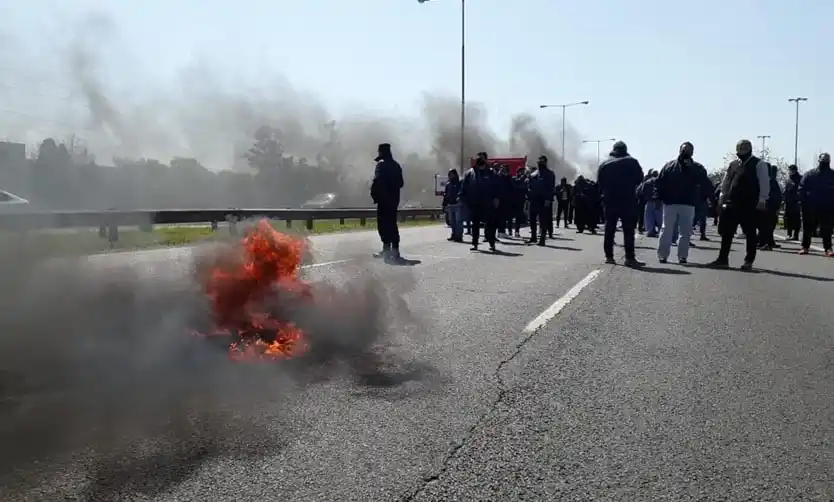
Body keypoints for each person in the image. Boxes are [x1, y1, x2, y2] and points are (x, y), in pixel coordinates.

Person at [708, 139, 770, 270]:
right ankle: (722, 259)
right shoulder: (733, 164)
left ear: (749, 149)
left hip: (749, 204)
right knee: (727, 232)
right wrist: (721, 198)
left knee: (750, 233)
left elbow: (764, 183)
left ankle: (749, 260)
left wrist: (762, 200)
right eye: (739, 149)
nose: (741, 151)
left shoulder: (759, 164)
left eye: (744, 149)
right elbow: (726, 182)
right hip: (732, 203)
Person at [655, 142, 713, 264]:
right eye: (684, 150)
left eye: (688, 150)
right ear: (679, 151)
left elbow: (705, 184)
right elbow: (660, 183)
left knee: (685, 231)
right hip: (670, 203)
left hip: (688, 203)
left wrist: (707, 200)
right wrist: (658, 198)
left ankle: (682, 256)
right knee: (666, 230)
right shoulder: (669, 166)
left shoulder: (697, 168)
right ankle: (662, 255)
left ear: (692, 152)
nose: (686, 152)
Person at [597, 140, 645, 266]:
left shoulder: (604, 164)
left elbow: (600, 183)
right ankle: (629, 258)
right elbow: (640, 179)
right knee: (628, 230)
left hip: (610, 200)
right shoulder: (632, 162)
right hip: (627, 199)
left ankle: (609, 257)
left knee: (610, 228)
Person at [370, 142, 405, 263]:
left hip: (383, 200)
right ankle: (395, 250)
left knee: (383, 225)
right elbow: (401, 183)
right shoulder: (396, 165)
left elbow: (377, 181)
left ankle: (386, 249)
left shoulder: (381, 165)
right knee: (392, 224)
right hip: (394, 200)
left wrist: (374, 195)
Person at [460, 151, 500, 252]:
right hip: (474, 203)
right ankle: (475, 244)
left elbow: (497, 187)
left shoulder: (491, 172)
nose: (479, 160)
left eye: (482, 158)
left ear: (486, 160)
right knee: (475, 225)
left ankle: (491, 243)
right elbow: (464, 187)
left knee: (490, 224)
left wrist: (496, 198)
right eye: (478, 158)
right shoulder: (470, 173)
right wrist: (463, 199)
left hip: (488, 203)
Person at [797, 153, 834, 256]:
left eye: (826, 162)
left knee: (827, 229)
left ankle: (828, 248)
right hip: (810, 206)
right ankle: (805, 247)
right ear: (819, 161)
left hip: (827, 207)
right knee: (808, 227)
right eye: (823, 161)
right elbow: (801, 189)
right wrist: (803, 202)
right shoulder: (810, 174)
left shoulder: (832, 175)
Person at [527, 155, 556, 245]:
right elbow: (529, 185)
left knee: (543, 220)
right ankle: (533, 237)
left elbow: (551, 188)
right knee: (532, 219)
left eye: (542, 161)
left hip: (543, 200)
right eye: (539, 161)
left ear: (545, 162)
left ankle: (542, 239)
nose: (540, 163)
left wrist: (548, 199)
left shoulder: (550, 174)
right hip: (534, 199)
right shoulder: (534, 173)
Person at [757, 163, 782, 250]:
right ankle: (762, 243)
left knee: (769, 226)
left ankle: (769, 242)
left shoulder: (771, 181)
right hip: (767, 206)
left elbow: (777, 195)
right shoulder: (766, 181)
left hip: (770, 206)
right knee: (766, 226)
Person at [637, 170, 661, 237]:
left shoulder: (647, 182)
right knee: (659, 218)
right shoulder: (659, 181)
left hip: (648, 201)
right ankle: (660, 231)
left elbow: (641, 191)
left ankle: (650, 231)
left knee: (649, 218)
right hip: (658, 202)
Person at [442, 169, 464, 242]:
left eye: (451, 174)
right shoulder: (448, 184)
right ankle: (454, 234)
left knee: (458, 221)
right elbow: (445, 195)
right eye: (449, 174)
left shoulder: (460, 182)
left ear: (455, 174)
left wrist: (461, 199)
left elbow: (463, 192)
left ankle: (459, 236)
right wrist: (444, 205)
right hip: (450, 205)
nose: (450, 175)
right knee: (452, 222)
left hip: (458, 204)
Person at [782, 164, 802, 240]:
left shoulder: (800, 178)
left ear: (795, 170)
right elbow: (786, 190)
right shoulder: (789, 179)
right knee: (788, 218)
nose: (790, 172)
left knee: (796, 219)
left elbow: (801, 189)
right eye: (789, 170)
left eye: (791, 170)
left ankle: (796, 235)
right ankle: (789, 234)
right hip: (788, 201)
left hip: (796, 201)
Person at [509, 166, 528, 237]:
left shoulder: (525, 179)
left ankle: (517, 231)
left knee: (518, 216)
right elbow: (514, 186)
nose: (522, 173)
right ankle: (510, 231)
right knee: (510, 216)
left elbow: (525, 188)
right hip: (512, 200)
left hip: (520, 200)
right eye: (521, 171)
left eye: (523, 171)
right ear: (517, 172)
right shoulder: (513, 178)